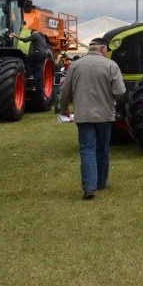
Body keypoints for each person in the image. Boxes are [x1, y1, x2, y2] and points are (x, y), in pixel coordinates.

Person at [58, 37, 125, 200]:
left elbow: (65, 90)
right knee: (102, 150)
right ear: (103, 49)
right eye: (107, 50)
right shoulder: (111, 65)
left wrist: (64, 108)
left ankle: (89, 187)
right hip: (104, 115)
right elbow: (120, 91)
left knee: (87, 150)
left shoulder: (75, 65)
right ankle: (101, 182)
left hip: (84, 115)